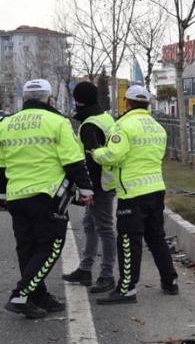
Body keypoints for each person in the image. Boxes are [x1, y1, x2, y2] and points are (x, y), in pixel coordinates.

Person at [0, 79, 93, 318]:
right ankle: (21, 295)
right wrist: (85, 189)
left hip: (16, 196)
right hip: (46, 194)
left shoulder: (6, 124)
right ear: (49, 99)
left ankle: (38, 296)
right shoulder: (58, 122)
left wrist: (2, 195)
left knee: (27, 248)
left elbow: (0, 166)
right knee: (51, 246)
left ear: (24, 99)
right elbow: (73, 160)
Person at [91, 85, 178, 305]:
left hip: (132, 193)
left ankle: (127, 288)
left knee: (129, 240)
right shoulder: (157, 127)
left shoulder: (123, 126)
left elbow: (113, 155)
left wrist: (96, 153)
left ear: (126, 102)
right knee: (156, 236)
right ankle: (170, 281)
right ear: (147, 104)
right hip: (156, 189)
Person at [62, 82, 117, 293]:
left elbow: (93, 159)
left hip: (99, 184)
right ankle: (85, 269)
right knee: (89, 224)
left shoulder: (89, 125)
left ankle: (106, 275)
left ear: (78, 100)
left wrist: (89, 190)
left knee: (104, 229)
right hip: (107, 179)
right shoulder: (104, 117)